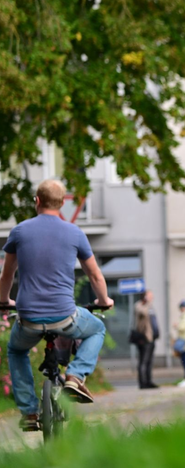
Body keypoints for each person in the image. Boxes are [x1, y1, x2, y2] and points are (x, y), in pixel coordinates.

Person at [0, 179, 115, 431]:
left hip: (28, 318)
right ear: (62, 204)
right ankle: (75, 376)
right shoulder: (74, 232)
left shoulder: (19, 232)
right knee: (96, 328)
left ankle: (29, 413)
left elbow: (7, 274)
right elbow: (95, 275)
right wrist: (104, 301)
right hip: (65, 317)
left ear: (37, 201)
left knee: (17, 351)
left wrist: (3, 301)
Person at [133, 290, 159, 389]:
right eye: (149, 296)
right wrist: (146, 302)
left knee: (149, 361)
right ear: (144, 297)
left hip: (151, 337)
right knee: (143, 361)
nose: (152, 298)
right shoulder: (139, 305)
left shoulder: (150, 307)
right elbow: (142, 313)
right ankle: (142, 383)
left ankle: (149, 381)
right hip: (143, 338)